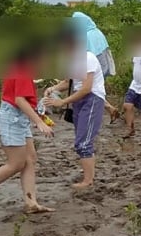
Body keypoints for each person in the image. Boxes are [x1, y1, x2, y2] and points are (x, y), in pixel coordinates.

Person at [0, 46, 55, 214]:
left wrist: (40, 117)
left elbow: (21, 101)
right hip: (10, 120)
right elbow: (20, 100)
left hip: (17, 118)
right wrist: (38, 122)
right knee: (16, 163)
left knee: (30, 159)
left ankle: (31, 203)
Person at [44, 31, 106, 190]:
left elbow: (86, 88)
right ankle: (88, 174)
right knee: (82, 140)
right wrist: (53, 88)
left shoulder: (88, 58)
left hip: (91, 99)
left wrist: (62, 102)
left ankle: (88, 181)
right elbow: (68, 82)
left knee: (83, 142)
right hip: (79, 101)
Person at [72, 12, 120, 123]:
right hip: (101, 65)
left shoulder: (86, 35)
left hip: (93, 67)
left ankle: (106, 109)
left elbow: (86, 56)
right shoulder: (97, 32)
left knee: (91, 91)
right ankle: (109, 109)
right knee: (95, 90)